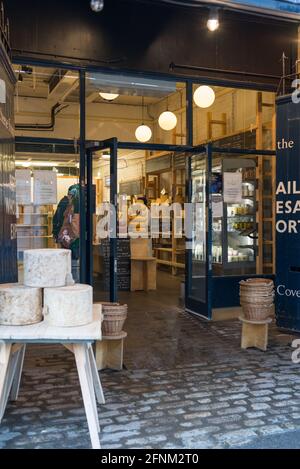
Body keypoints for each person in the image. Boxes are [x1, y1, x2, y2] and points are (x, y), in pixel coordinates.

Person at [53, 184, 80, 281]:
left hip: (64, 236)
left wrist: (56, 233)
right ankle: (75, 282)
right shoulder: (75, 204)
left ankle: (67, 280)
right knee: (74, 261)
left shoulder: (64, 202)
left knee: (67, 260)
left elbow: (56, 219)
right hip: (72, 237)